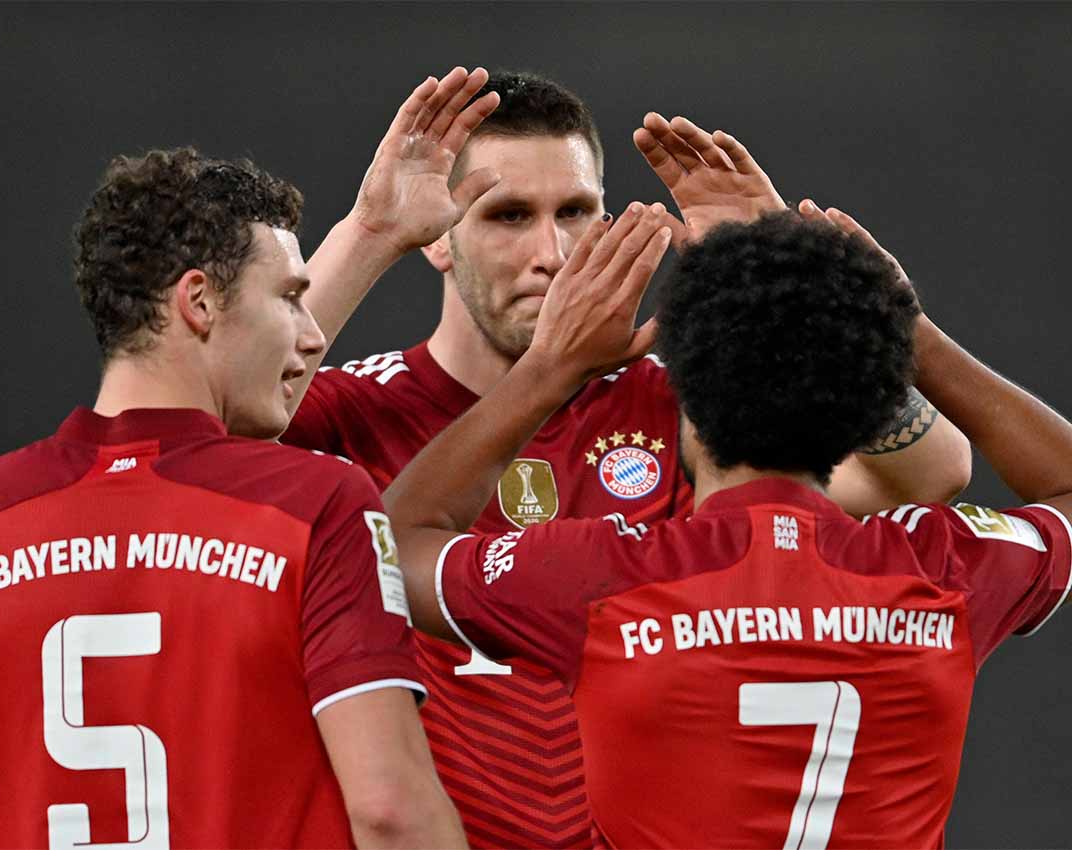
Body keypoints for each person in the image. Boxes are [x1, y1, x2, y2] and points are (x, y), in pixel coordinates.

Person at [281, 70, 973, 847]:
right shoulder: (351, 408)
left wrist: (800, 281)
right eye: (509, 215)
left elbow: (930, 472)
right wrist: (371, 232)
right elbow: (211, 434)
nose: (551, 253)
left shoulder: (677, 404)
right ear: (438, 235)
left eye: (576, 213)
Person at [0, 69, 492, 849]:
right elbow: (391, 814)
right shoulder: (316, 506)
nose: (311, 335)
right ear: (197, 302)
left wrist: (370, 232)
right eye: (288, 299)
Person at [381, 203, 1071, 847]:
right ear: (867, 396)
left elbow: (396, 541)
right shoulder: (943, 567)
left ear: (689, 399)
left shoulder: (602, 578)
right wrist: (894, 319)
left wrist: (549, 369)